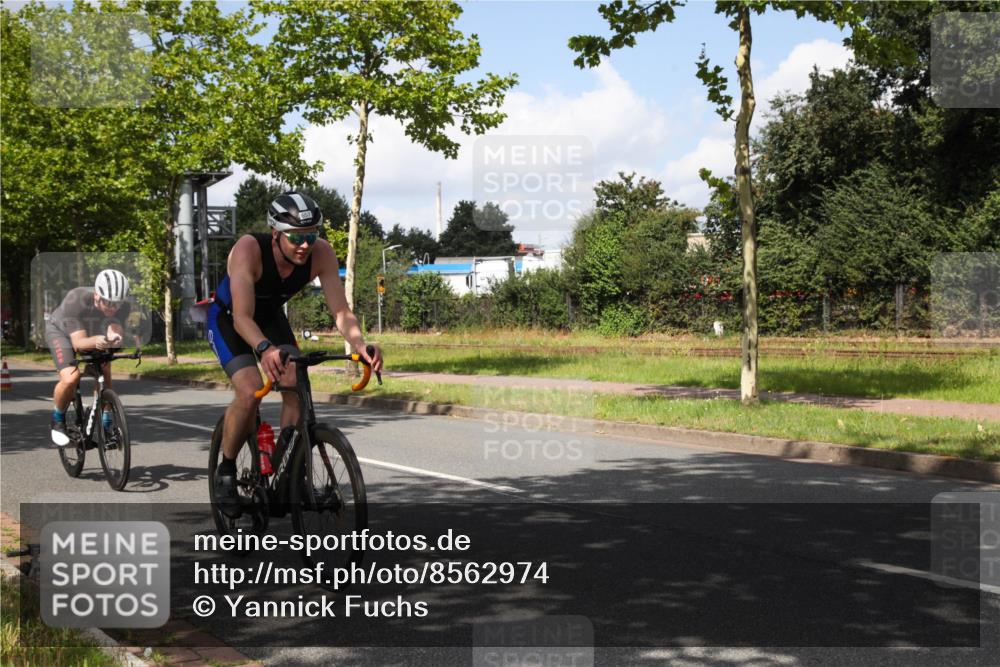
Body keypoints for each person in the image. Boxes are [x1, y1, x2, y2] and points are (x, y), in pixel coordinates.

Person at [207, 191, 382, 513]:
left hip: (271, 318)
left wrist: (360, 343)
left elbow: (341, 311)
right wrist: (264, 349)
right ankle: (227, 470)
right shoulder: (249, 249)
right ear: (275, 233)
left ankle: (288, 470)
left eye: (311, 236)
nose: (305, 245)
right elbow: (243, 318)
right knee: (249, 392)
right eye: (296, 238)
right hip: (230, 319)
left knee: (296, 388)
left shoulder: (322, 254)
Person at [47, 269, 131, 445]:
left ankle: (107, 425)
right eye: (108, 302)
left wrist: (114, 337)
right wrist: (98, 340)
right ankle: (58, 419)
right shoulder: (77, 301)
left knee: (104, 370)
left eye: (117, 303)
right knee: (71, 377)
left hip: (92, 331)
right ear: (96, 296)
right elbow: (78, 343)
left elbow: (114, 327)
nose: (113, 308)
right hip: (60, 331)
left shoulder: (123, 306)